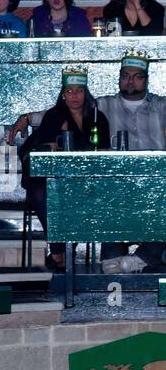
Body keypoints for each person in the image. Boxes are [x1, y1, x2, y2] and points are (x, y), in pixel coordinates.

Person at [9, 51, 166, 265]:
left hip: (156, 179)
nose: (130, 80)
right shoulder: (102, 106)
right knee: (105, 191)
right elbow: (65, 110)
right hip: (117, 179)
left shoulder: (160, 105)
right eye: (125, 75)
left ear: (146, 79)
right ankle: (114, 259)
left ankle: (142, 258)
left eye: (137, 76)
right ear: (119, 78)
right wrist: (27, 117)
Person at [17, 68, 111, 270]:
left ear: (86, 93)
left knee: (83, 195)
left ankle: (61, 252)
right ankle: (59, 250)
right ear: (63, 94)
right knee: (42, 193)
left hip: (82, 178)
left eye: (79, 91)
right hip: (49, 176)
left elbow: (102, 150)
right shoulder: (54, 115)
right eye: (70, 91)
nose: (75, 96)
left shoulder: (97, 117)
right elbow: (44, 149)